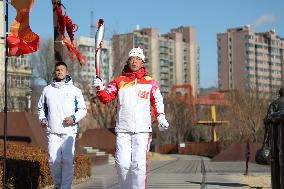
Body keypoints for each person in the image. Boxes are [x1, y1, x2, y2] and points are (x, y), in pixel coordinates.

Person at [93, 47, 169, 189]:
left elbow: (157, 100)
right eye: (132, 58)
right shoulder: (119, 81)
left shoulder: (150, 82)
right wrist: (100, 88)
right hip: (123, 129)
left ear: (142, 62)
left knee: (139, 165)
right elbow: (106, 97)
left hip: (142, 130)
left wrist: (161, 117)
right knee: (122, 164)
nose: (134, 61)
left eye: (138, 59)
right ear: (128, 61)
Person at [38, 61, 87, 189]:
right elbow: (41, 108)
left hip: (69, 131)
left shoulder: (75, 90)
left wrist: (73, 118)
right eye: (57, 70)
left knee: (67, 161)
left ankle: (65, 187)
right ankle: (58, 185)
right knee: (53, 160)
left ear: (67, 72)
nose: (59, 72)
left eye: (62, 70)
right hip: (52, 131)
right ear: (55, 72)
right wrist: (42, 119)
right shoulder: (47, 90)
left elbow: (83, 109)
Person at [264, 87, 284, 189]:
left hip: (277, 137)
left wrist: (266, 140)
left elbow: (268, 120)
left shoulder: (274, 104)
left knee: (277, 163)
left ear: (279, 94)